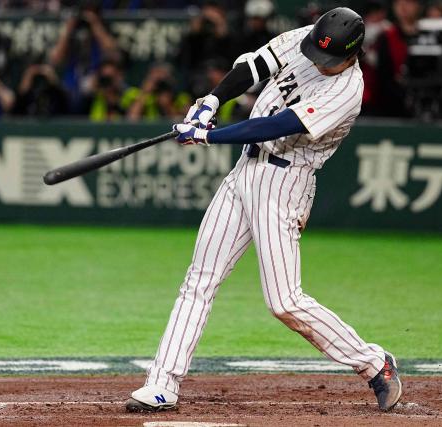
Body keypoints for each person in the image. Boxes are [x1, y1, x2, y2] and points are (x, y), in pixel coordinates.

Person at [126, 7, 402, 414]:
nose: (317, 61)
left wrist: (208, 135)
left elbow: (279, 125)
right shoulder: (311, 37)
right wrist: (211, 100)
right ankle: (162, 383)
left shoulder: (347, 91)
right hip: (245, 171)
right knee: (200, 279)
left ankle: (374, 364)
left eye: (329, 59)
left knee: (284, 301)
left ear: (352, 54)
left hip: (285, 185)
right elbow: (255, 66)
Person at [375, 0, 422, 116]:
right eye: (398, 3)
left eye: (408, 2)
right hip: (394, 105)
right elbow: (383, 76)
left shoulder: (431, 35)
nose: (403, 7)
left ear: (418, 6)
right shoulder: (385, 37)